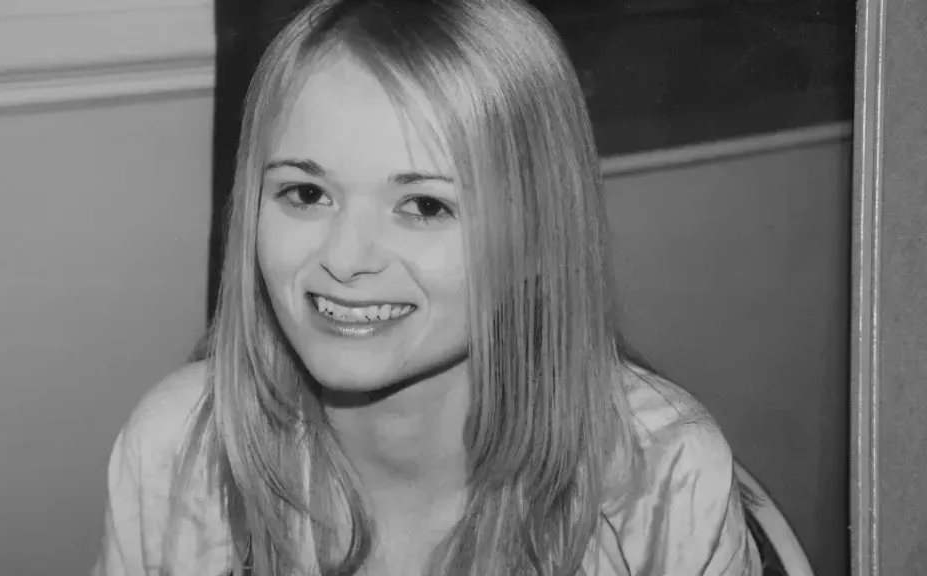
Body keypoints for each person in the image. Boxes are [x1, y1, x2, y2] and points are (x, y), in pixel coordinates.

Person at [92, 0, 762, 574]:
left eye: (425, 206)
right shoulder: (177, 454)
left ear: (538, 236)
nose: (345, 259)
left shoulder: (663, 479)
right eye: (306, 193)